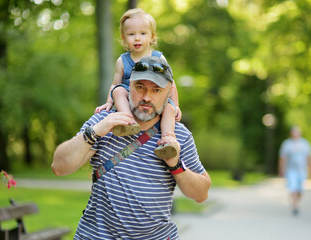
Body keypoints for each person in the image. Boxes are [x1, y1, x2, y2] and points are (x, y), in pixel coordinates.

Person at [51, 56, 211, 240]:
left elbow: (201, 194)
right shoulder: (104, 122)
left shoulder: (178, 135)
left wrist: (176, 166)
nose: (146, 97)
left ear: (168, 95)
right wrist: (96, 131)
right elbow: (59, 166)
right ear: (129, 87)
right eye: (140, 87)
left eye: (156, 90)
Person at [94, 8, 181, 159]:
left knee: (168, 108)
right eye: (131, 34)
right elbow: (115, 84)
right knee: (119, 91)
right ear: (124, 37)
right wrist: (109, 102)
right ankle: (127, 121)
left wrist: (176, 105)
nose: (137, 38)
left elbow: (170, 84)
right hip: (130, 99)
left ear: (152, 36)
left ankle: (169, 139)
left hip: (153, 99)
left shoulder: (159, 58)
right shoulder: (122, 60)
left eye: (142, 33)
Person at [278, 126, 311, 216]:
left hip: (302, 170)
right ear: (291, 133)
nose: (295, 134)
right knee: (293, 189)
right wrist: (281, 169)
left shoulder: (305, 144)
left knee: (300, 190)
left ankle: (296, 202)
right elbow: (282, 158)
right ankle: (294, 206)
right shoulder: (287, 144)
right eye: (294, 132)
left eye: (297, 132)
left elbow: (308, 157)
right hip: (291, 170)